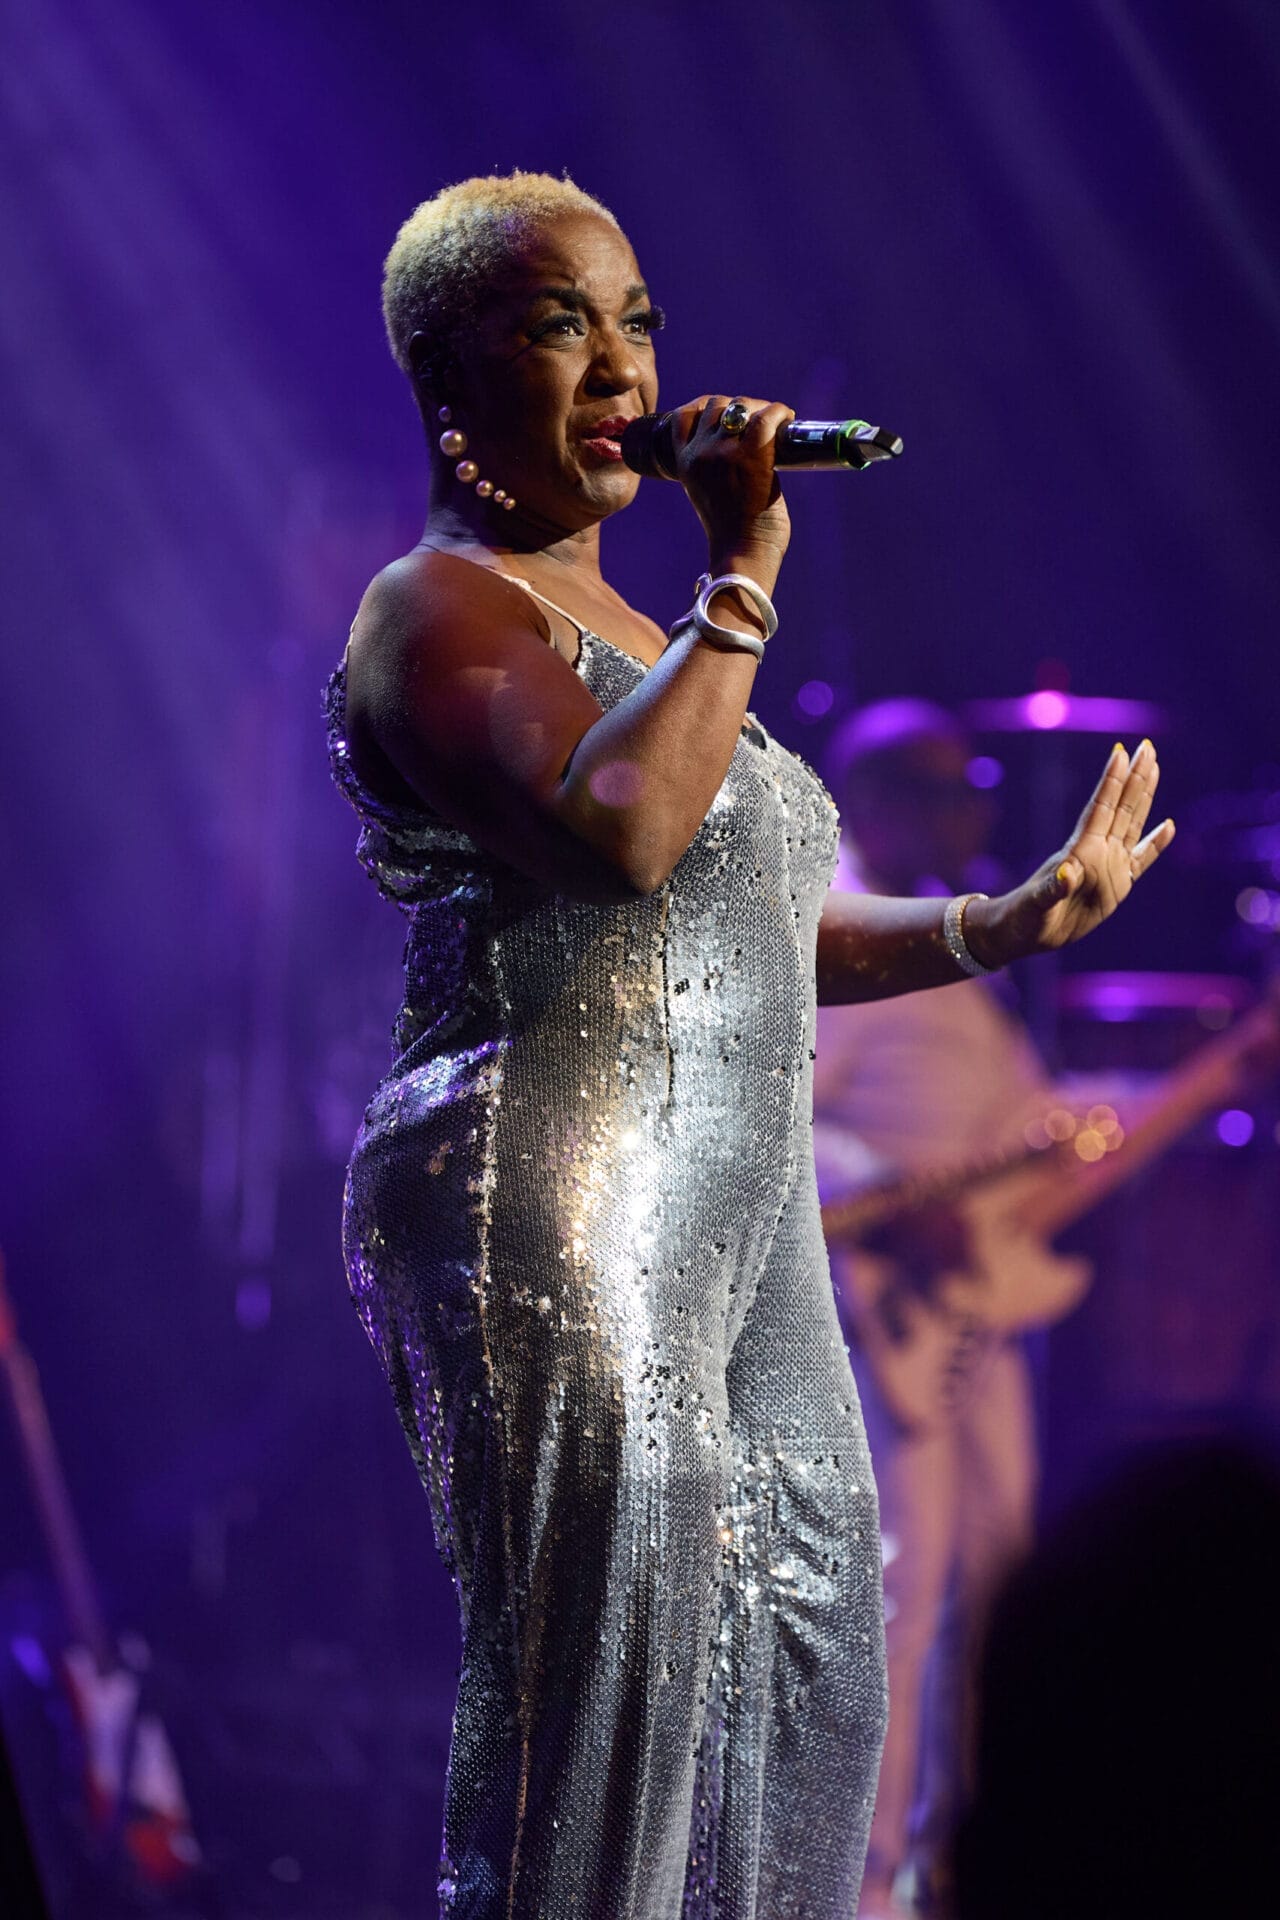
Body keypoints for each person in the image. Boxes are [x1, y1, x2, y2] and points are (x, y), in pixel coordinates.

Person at [324, 173, 1174, 1920]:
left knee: (815, 1665)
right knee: (607, 1715)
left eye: (637, 321)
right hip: (559, 1187)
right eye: (560, 325)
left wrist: (997, 924)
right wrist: (746, 566)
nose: (623, 364)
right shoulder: (435, 611)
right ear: (449, 376)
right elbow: (624, 837)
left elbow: (747, 929)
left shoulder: (669, 642)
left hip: (744, 1210)